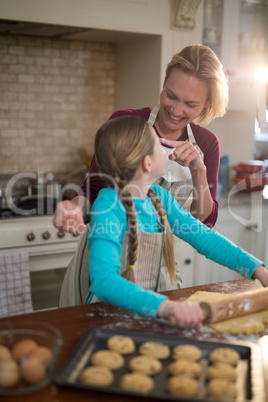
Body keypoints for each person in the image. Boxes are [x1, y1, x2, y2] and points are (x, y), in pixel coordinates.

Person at [82, 115, 268, 330]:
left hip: (155, 315)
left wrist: (257, 269)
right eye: (159, 145)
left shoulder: (159, 197)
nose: (166, 150)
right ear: (148, 162)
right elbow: (104, 282)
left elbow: (204, 236)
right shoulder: (108, 206)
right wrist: (167, 308)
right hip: (111, 320)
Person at [53, 44, 229, 235]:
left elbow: (204, 224)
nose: (176, 111)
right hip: (105, 247)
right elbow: (94, 187)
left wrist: (198, 170)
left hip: (157, 258)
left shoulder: (207, 144)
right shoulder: (125, 121)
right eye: (171, 96)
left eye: (190, 104)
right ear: (164, 84)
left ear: (206, 104)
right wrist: (73, 209)